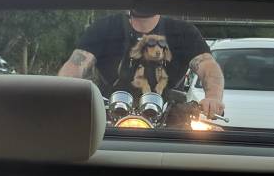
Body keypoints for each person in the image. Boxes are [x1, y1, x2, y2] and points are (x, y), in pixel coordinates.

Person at [58, 11, 225, 119]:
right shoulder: (104, 28)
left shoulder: (183, 31)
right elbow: (76, 64)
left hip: (171, 124)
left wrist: (213, 97)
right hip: (108, 120)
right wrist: (62, 93)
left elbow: (207, 65)